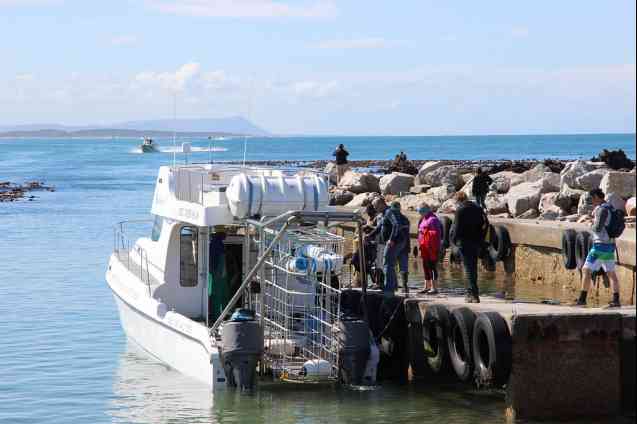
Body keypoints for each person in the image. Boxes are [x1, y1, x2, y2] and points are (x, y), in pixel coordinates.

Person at [574, 188, 622, 307]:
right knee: (611, 273)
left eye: (591, 198)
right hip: (610, 246)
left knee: (586, 270)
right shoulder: (611, 207)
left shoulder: (601, 209)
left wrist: (589, 223)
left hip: (600, 246)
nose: (591, 201)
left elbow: (598, 228)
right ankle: (616, 300)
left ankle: (582, 300)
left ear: (596, 196)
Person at [450, 192, 489, 303]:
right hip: (476, 242)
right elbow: (485, 223)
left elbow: (456, 228)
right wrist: (481, 238)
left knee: (468, 268)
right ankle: (472, 293)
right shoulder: (478, 208)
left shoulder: (460, 210)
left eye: (456, 202)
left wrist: (453, 242)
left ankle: (473, 294)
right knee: (473, 268)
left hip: (464, 242)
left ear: (458, 200)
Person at [366, 199, 411, 295]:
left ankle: (390, 287)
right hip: (395, 241)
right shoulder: (385, 213)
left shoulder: (389, 212)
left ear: (381, 204)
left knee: (387, 262)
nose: (374, 208)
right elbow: (380, 227)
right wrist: (370, 235)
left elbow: (396, 225)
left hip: (396, 241)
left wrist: (392, 239)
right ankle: (393, 285)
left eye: (375, 206)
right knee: (389, 262)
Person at [416, 202, 442, 295]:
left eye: (421, 211)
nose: (420, 213)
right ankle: (426, 286)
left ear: (426, 210)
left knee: (432, 267)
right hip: (424, 247)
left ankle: (434, 287)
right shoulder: (423, 219)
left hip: (432, 247)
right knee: (425, 266)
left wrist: (423, 231)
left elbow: (436, 234)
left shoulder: (433, 220)